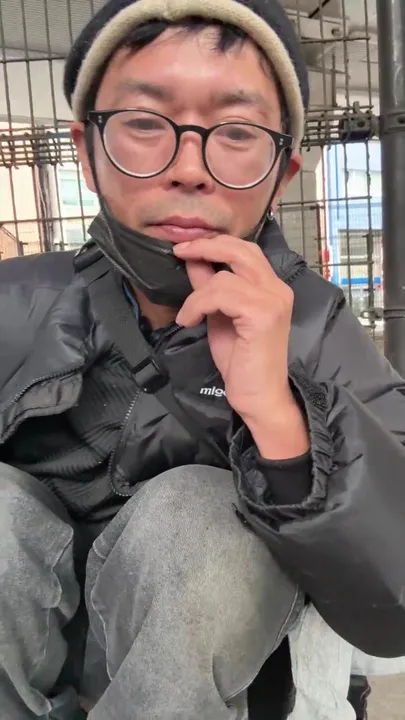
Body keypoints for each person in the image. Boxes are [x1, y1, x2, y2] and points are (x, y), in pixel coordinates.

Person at [1, 1, 405, 718]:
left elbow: (393, 601)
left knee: (202, 520)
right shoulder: (16, 302)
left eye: (237, 132)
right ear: (86, 150)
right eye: (145, 123)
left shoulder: (317, 327)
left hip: (231, 689)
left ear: (282, 172)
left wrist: (278, 417)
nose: (189, 168)